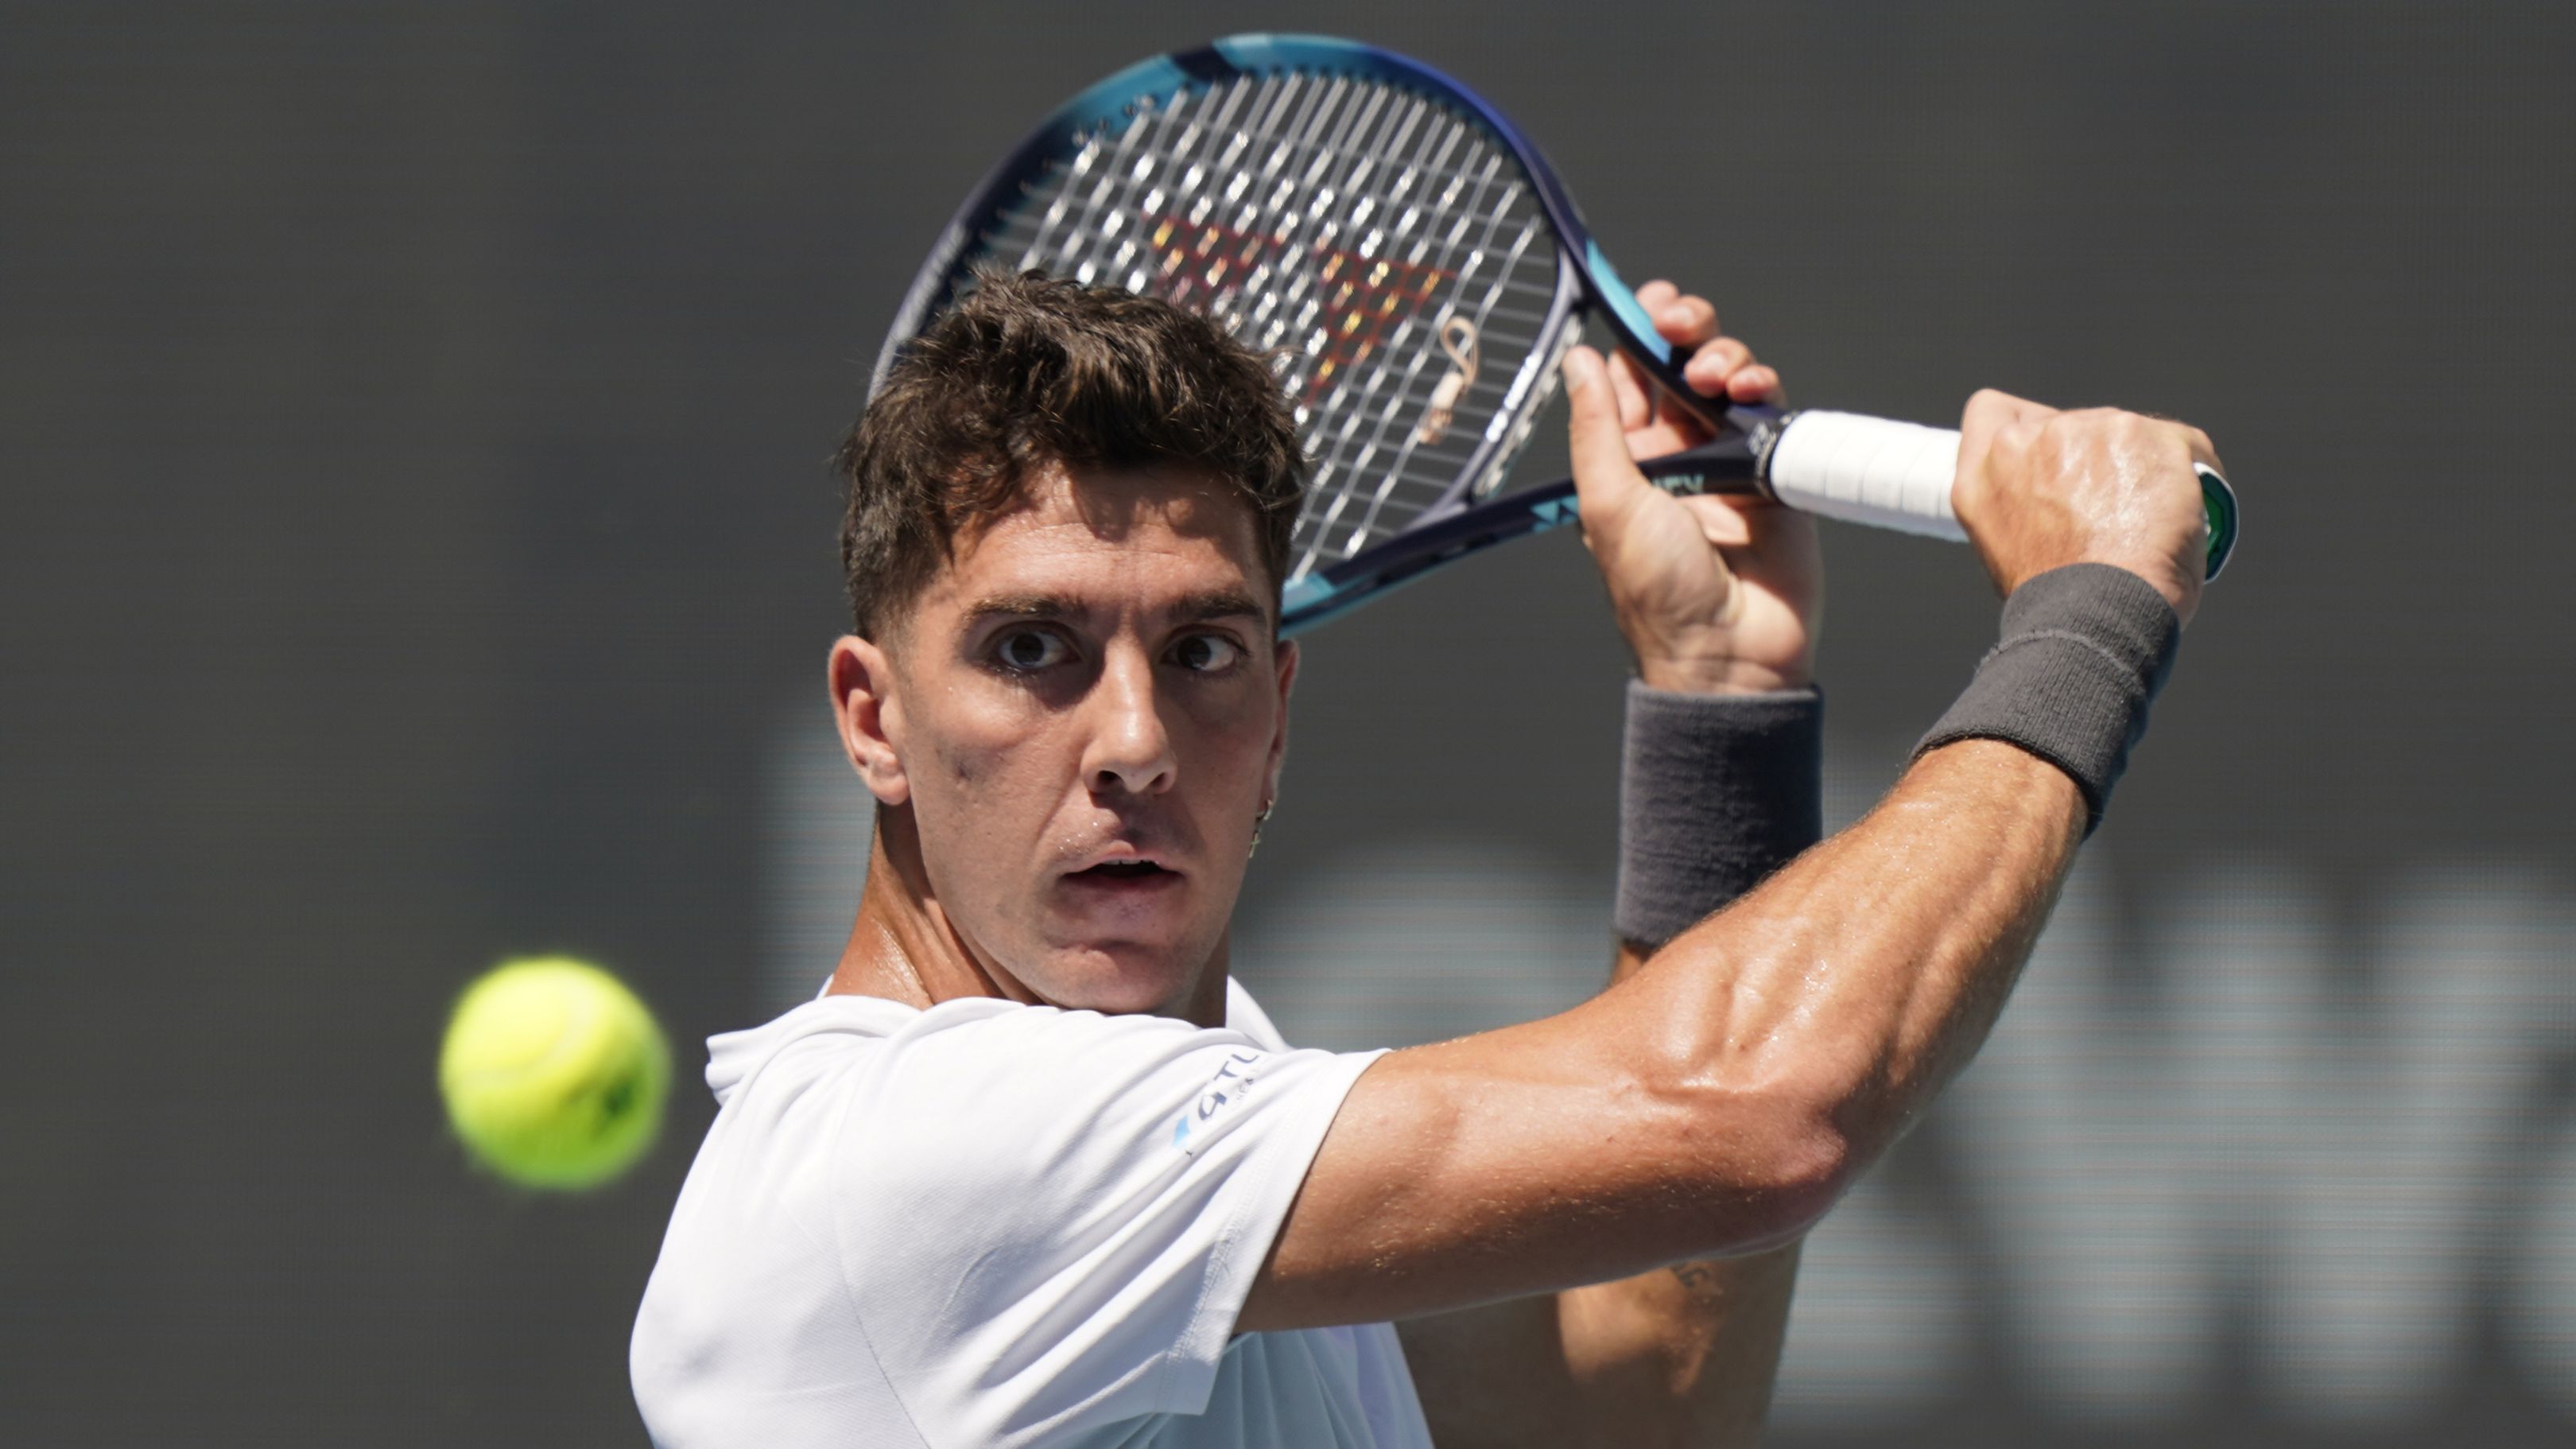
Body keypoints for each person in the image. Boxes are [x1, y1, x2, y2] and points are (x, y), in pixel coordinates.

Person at [630, 270, 2217, 1447]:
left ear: (1281, 699)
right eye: (1034, 644)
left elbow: (1631, 1392)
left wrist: (1719, 705)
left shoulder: (1190, 1121)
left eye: (1201, 648)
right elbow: (1760, 1115)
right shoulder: (918, 1158)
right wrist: (2089, 603)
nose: (1131, 737)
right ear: (874, 715)